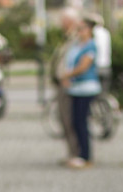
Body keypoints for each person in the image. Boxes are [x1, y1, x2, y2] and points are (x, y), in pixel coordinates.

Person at [62, 20, 101, 169]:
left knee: (81, 122)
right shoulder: (77, 45)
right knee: (75, 121)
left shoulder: (90, 46)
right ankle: (79, 153)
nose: (79, 31)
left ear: (89, 30)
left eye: (82, 29)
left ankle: (85, 155)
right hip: (75, 88)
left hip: (87, 88)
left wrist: (67, 75)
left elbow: (84, 66)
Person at [49, 7, 82, 165]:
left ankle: (76, 153)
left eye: (63, 21)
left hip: (69, 84)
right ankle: (71, 153)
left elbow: (78, 62)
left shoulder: (77, 38)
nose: (61, 24)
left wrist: (69, 77)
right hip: (63, 83)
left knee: (69, 120)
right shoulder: (68, 38)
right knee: (64, 120)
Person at [85, 13, 112, 94]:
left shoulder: (92, 33)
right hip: (106, 65)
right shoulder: (106, 32)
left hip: (95, 66)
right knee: (104, 91)